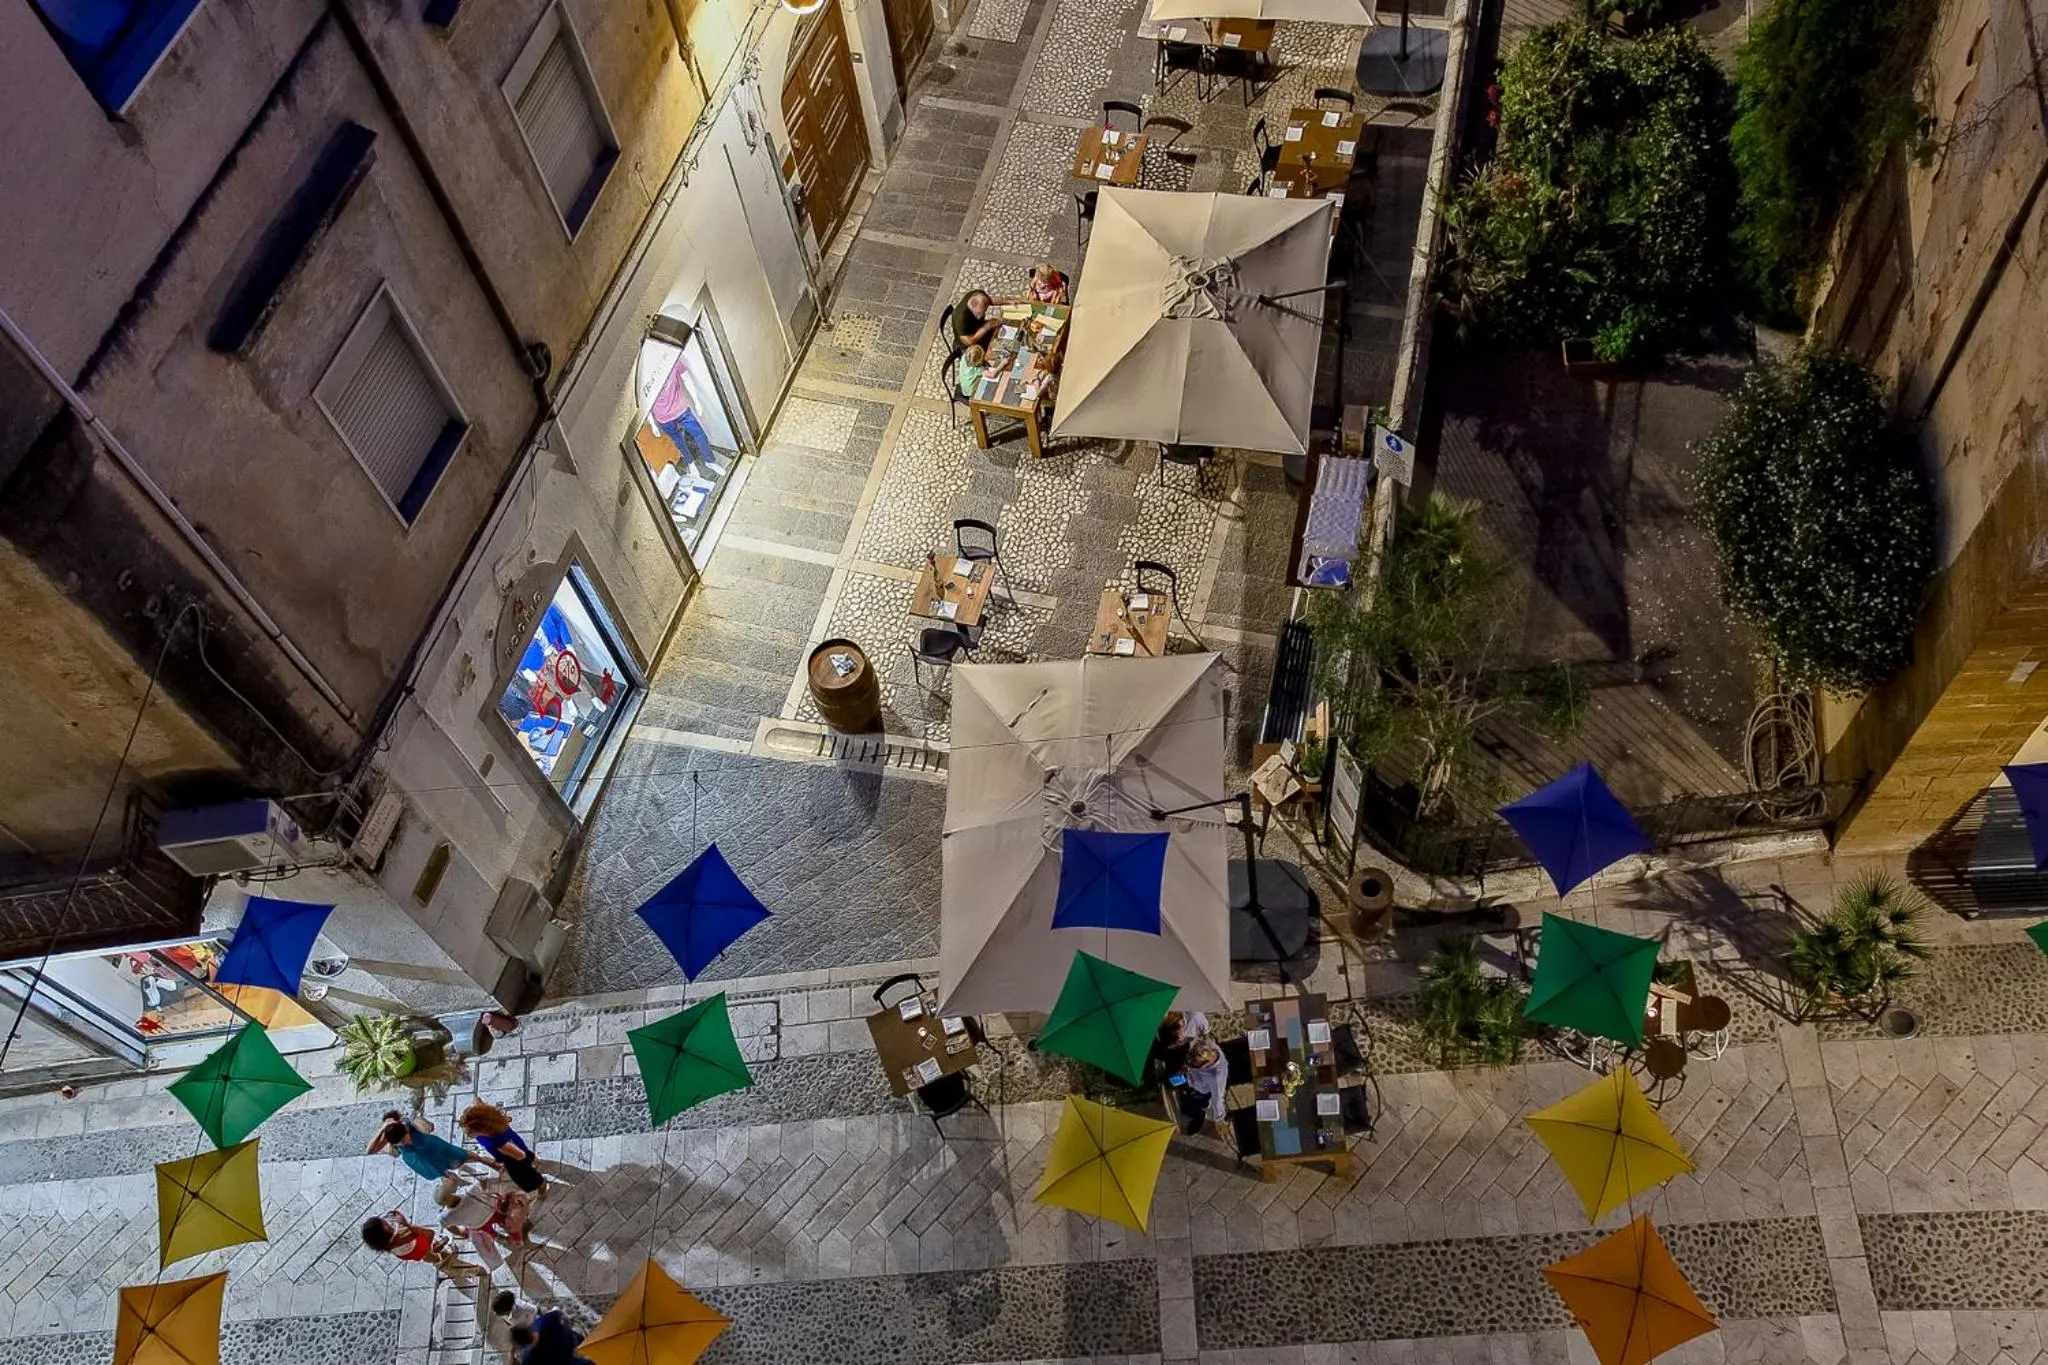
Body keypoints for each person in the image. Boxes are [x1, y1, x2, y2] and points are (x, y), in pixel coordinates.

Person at [368, 1110, 488, 1185]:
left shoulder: (408, 1123)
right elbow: (370, 1151)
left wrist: (419, 1124)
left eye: (405, 1137)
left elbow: (430, 1127)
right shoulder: (389, 1135)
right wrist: (382, 1129)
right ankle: (466, 1184)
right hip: (420, 1159)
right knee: (443, 1173)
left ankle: (487, 1164)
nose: (405, 1142)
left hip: (431, 1146)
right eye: (401, 1142)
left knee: (460, 1154)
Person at [1158, 1010, 1229, 1132]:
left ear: (1204, 1066)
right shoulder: (1205, 1046)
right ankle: (1176, 1087)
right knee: (1169, 1081)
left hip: (1198, 1088)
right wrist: (1185, 1069)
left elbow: (1218, 1100)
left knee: (1190, 1102)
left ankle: (1196, 1114)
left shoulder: (1216, 1078)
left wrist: (1219, 1120)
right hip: (1188, 1077)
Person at [460, 1101, 548, 1197]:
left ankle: (541, 1184)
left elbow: (520, 1156)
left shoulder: (499, 1142)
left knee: (523, 1177)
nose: (470, 1135)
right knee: (527, 1158)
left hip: (514, 1160)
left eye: (472, 1132)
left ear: (483, 1130)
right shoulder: (490, 1119)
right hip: (515, 1148)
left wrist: (504, 1160)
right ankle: (532, 1161)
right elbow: (479, 1104)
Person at [360, 1211, 476, 1274]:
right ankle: (439, 1260)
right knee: (425, 1253)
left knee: (426, 1249)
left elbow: (393, 1213)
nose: (387, 1222)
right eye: (384, 1225)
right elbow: (413, 1234)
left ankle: (437, 1250)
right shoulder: (395, 1240)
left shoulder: (386, 1231)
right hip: (412, 1247)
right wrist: (405, 1224)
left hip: (409, 1247)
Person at [509, 1308, 594, 1365]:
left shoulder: (528, 1358)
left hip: (565, 1361)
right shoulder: (542, 1323)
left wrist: (511, 1353)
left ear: (522, 1345)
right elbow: (556, 1312)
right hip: (571, 1340)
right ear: (529, 1328)